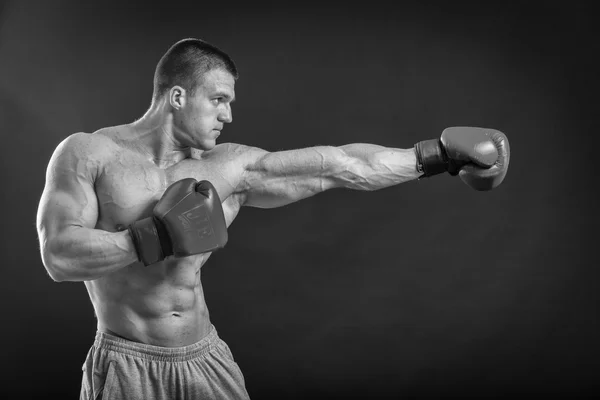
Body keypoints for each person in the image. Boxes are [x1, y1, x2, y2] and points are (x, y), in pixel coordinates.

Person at [35, 38, 510, 400]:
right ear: (178, 96)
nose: (229, 115)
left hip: (203, 358)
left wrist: (436, 156)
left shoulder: (229, 167)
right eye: (219, 99)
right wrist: (156, 236)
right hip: (125, 367)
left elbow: (342, 164)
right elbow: (59, 255)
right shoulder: (89, 154)